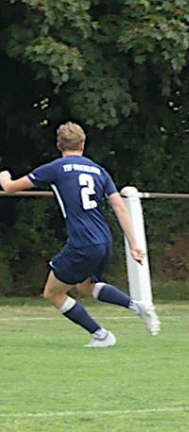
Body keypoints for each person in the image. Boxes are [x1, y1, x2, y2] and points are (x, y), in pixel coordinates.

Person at [0, 121, 160, 347]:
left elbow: (11, 187)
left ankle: (102, 335)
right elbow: (120, 207)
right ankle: (138, 306)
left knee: (52, 293)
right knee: (85, 286)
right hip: (103, 241)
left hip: (82, 243)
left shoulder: (55, 168)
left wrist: (4, 176)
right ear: (83, 144)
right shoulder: (99, 170)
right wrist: (134, 244)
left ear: (59, 145)